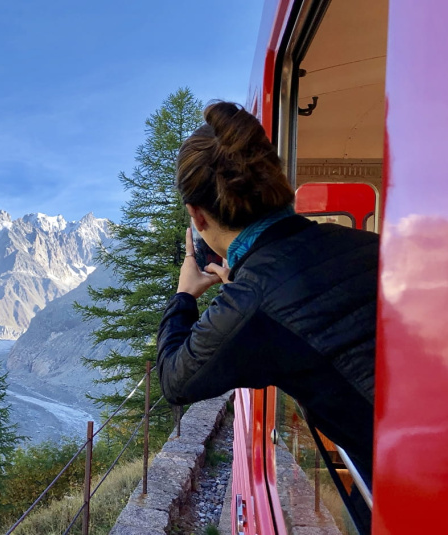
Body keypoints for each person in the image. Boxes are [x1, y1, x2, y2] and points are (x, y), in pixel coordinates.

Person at [156, 102, 378, 491]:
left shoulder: (251, 301)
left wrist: (184, 295)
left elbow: (175, 380)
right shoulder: (363, 243)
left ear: (197, 215)